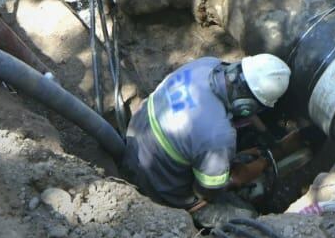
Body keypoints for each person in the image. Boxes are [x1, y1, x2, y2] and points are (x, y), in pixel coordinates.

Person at [122, 53, 291, 226]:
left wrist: (264, 134)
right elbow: (207, 192)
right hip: (157, 184)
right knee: (248, 219)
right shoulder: (218, 135)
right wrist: (252, 168)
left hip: (137, 133)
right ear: (247, 105)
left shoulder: (208, 64)